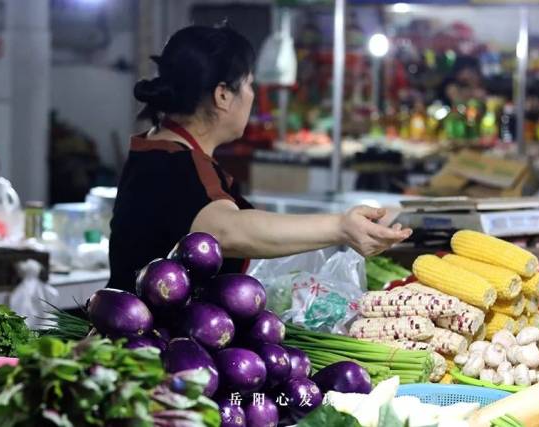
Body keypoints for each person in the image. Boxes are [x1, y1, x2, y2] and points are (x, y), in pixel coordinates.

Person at [108, 25, 412, 293]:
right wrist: (341, 227)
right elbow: (226, 230)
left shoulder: (156, 146)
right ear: (223, 95)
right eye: (250, 84)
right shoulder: (178, 164)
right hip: (151, 346)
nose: (253, 95)